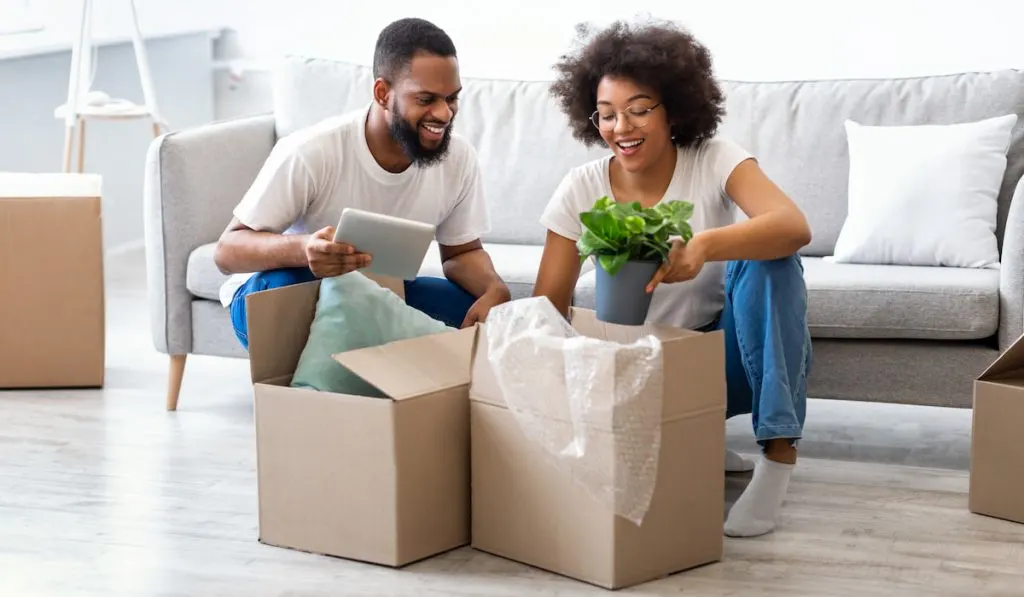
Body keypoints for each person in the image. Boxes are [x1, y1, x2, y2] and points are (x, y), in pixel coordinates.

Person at [532, 19, 813, 538]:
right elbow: (546, 310)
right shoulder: (580, 188)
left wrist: (705, 247)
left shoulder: (713, 159)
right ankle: (696, 431)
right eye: (608, 114)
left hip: (717, 362)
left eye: (639, 110)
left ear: (675, 109)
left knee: (772, 256)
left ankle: (778, 457)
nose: (622, 128)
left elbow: (794, 226)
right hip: (630, 371)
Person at [213, 18, 510, 349]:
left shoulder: (457, 158)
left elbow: (462, 253)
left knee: (473, 312)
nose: (444, 114)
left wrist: (494, 288)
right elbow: (227, 251)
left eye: (452, 98)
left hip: (383, 291)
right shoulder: (314, 152)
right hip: (304, 285)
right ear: (382, 93)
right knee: (281, 292)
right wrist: (305, 249)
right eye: (426, 100)